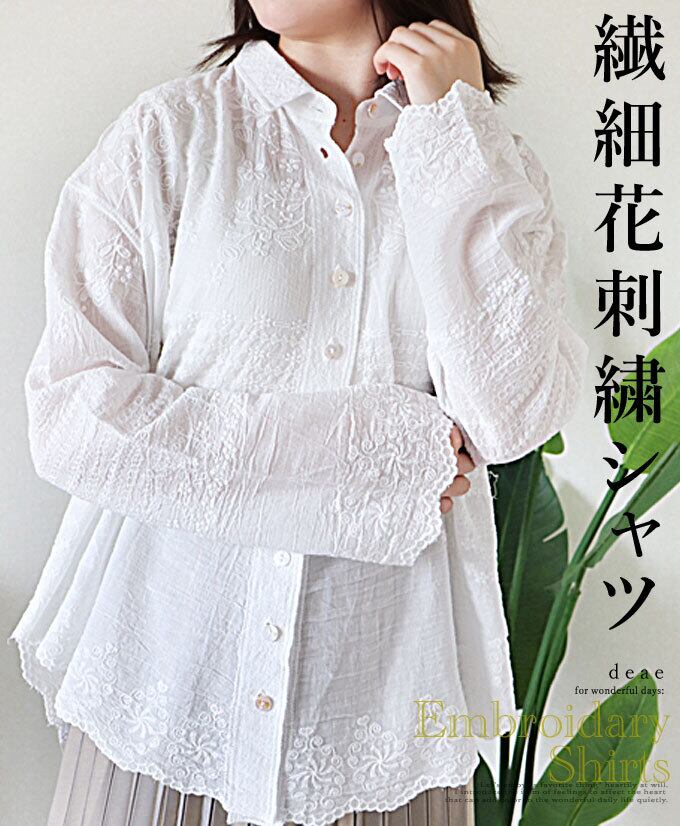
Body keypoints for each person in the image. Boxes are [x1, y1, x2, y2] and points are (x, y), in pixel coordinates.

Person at [9, 1, 588, 825]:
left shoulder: (489, 162)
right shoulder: (172, 134)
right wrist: (369, 458)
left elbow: (510, 414)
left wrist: (451, 133)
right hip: (167, 702)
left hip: (377, 726)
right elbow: (74, 416)